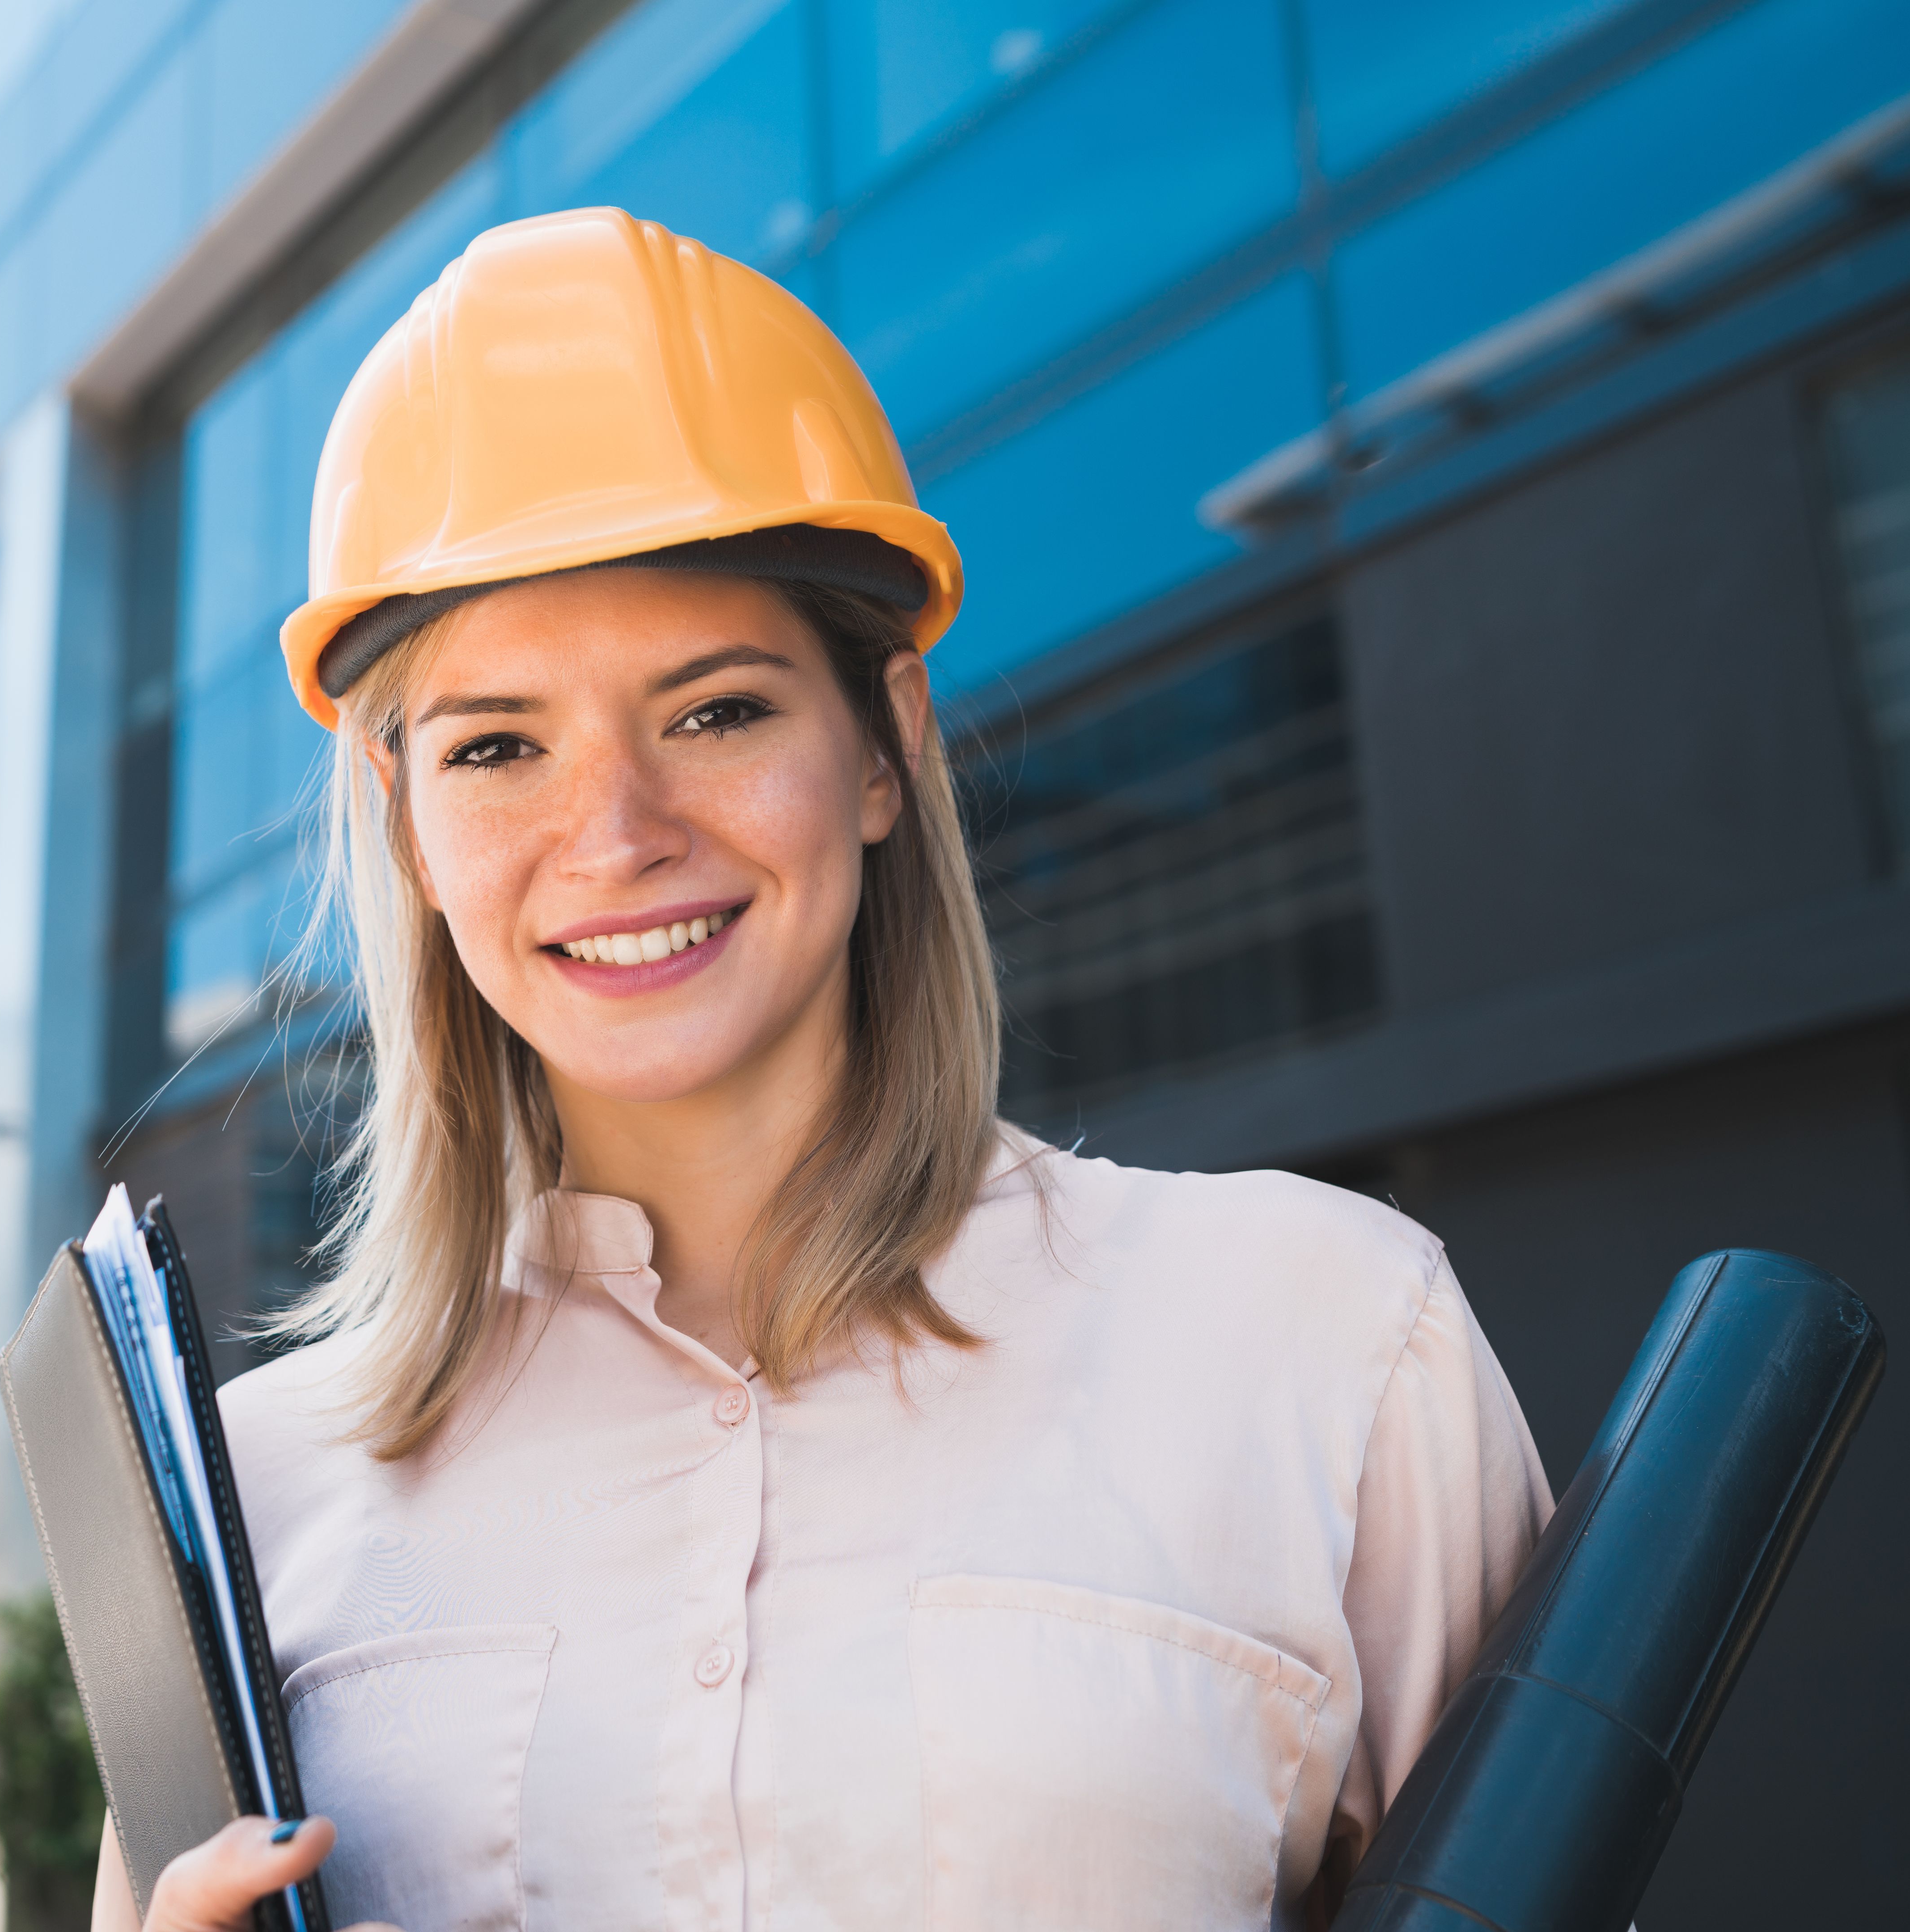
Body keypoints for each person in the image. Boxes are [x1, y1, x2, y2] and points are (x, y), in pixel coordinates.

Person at [101, 207, 1548, 1932]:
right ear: (409, 834)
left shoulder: (1323, 1341)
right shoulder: (246, 1497)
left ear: (885, 742)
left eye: (717, 711)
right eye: (499, 747)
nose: (617, 836)